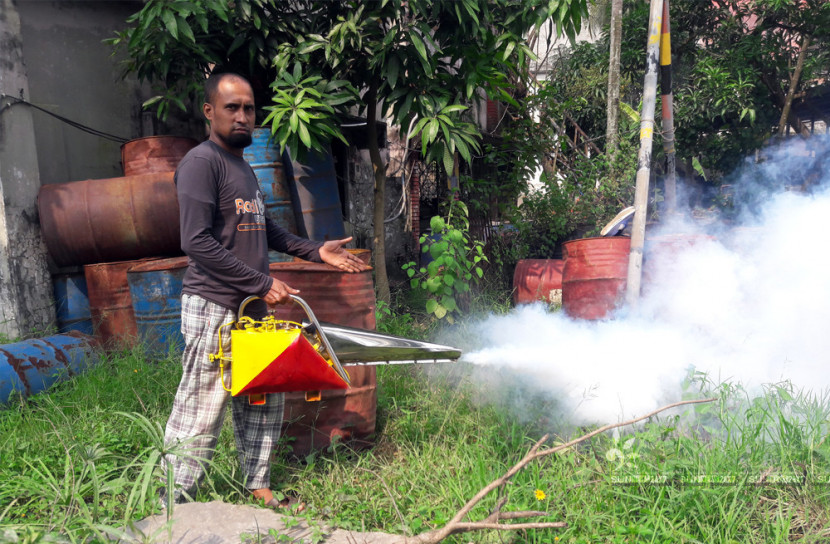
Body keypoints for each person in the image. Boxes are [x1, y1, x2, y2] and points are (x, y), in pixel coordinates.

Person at [162, 72, 368, 510]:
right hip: (215, 303)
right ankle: (172, 502)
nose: (242, 116)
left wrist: (315, 251)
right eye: (232, 107)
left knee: (262, 396)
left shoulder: (243, 167)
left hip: (250, 306)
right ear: (209, 111)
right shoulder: (202, 163)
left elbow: (265, 229)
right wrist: (261, 282)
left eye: (249, 108)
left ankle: (259, 487)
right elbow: (195, 242)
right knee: (202, 405)